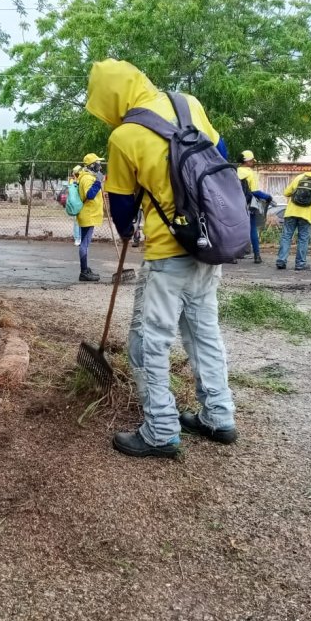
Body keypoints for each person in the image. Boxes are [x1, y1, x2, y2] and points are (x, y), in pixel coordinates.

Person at [85, 58, 237, 459]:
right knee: (204, 332)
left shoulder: (125, 135)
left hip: (168, 253)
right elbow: (220, 155)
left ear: (111, 97)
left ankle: (160, 430)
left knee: (151, 342)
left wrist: (127, 226)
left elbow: (120, 209)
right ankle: (218, 417)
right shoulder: (188, 103)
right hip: (208, 243)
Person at [276, 162, 311, 271]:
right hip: (306, 215)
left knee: (286, 237)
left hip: (291, 212)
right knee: (303, 239)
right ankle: (300, 264)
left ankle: (281, 261)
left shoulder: (299, 177)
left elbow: (286, 193)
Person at [237, 150, 273, 264]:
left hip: (233, 205)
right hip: (247, 205)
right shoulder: (250, 173)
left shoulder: (234, 171)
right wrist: (267, 197)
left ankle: (233, 256)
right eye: (252, 160)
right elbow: (255, 191)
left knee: (235, 229)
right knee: (252, 229)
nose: (253, 162)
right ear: (247, 161)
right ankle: (257, 256)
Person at [76, 154, 105, 282]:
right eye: (98, 163)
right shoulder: (87, 178)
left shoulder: (88, 176)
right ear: (92, 165)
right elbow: (90, 195)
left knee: (85, 243)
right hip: (88, 215)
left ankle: (85, 269)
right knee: (85, 244)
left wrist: (98, 181)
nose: (100, 165)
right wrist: (98, 182)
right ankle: (83, 272)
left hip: (89, 214)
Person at [70, 165, 83, 246]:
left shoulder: (83, 180)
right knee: (76, 222)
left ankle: (81, 238)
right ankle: (77, 238)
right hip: (76, 204)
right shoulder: (73, 181)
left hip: (82, 203)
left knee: (83, 221)